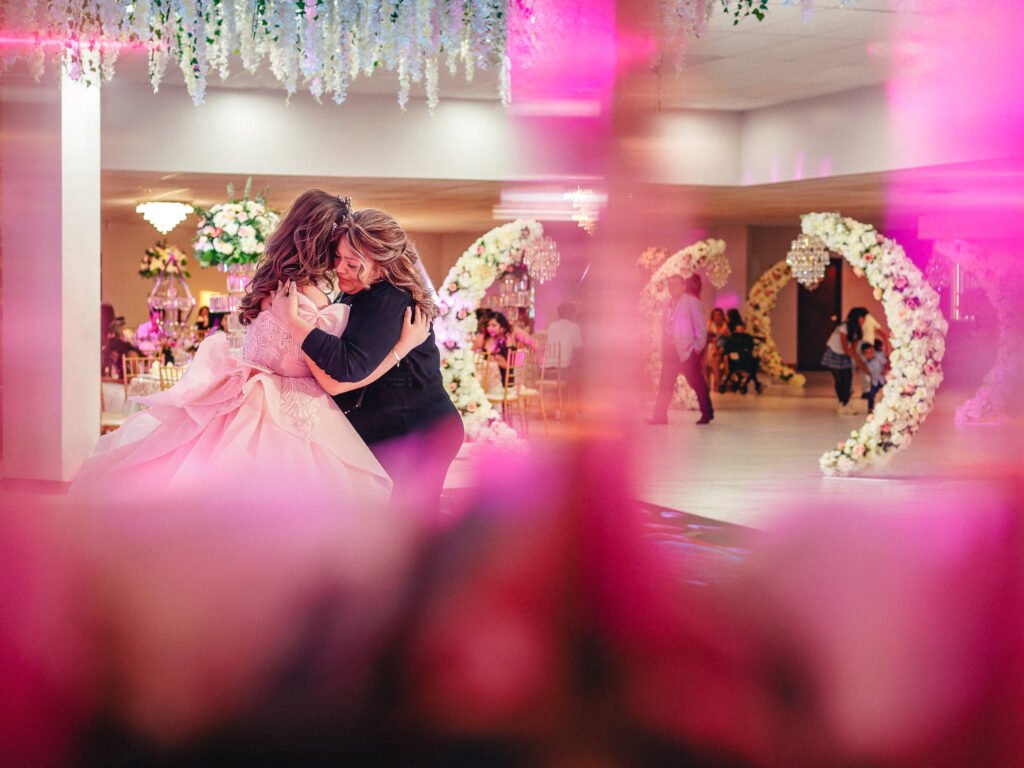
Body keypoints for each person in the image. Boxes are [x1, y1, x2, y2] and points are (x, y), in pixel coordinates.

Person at [71, 191, 432, 509]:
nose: (340, 263)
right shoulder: (307, 299)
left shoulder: (272, 285)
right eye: (339, 250)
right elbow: (333, 378)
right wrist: (402, 347)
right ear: (324, 242)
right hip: (292, 409)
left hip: (247, 391)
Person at [276, 199, 465, 515]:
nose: (339, 269)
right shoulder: (357, 292)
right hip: (393, 426)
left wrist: (294, 323)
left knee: (405, 526)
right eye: (338, 258)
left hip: (417, 431)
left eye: (353, 263)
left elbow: (346, 368)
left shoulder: (389, 300)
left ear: (383, 264)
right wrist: (399, 350)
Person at [647, 274, 713, 426]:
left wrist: (696, 349)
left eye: (675, 285)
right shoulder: (667, 303)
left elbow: (701, 330)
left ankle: (707, 412)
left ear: (683, 286)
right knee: (665, 385)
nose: (672, 288)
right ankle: (660, 416)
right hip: (670, 351)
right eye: (670, 285)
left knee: (696, 383)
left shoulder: (692, 302)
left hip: (687, 351)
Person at [822, 307, 869, 414]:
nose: (864, 320)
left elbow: (853, 348)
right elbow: (845, 347)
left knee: (848, 379)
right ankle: (841, 403)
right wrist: (857, 359)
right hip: (834, 352)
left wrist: (858, 360)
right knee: (839, 380)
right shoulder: (843, 327)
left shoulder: (857, 330)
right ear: (857, 317)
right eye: (863, 317)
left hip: (845, 354)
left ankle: (846, 404)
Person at [860, 341, 888, 414]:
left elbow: (886, 363)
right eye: (867, 353)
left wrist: (884, 370)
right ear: (864, 354)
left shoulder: (879, 357)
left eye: (872, 351)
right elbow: (867, 372)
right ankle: (870, 408)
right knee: (871, 395)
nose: (871, 354)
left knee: (888, 392)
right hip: (875, 381)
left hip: (884, 379)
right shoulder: (865, 363)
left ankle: (888, 406)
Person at [705, 307, 729, 391]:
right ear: (713, 316)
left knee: (716, 358)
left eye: (720, 315)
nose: (718, 317)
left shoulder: (725, 326)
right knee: (707, 356)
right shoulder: (710, 324)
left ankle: (718, 384)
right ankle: (707, 385)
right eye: (716, 315)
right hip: (710, 347)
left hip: (721, 349)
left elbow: (726, 340)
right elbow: (706, 337)